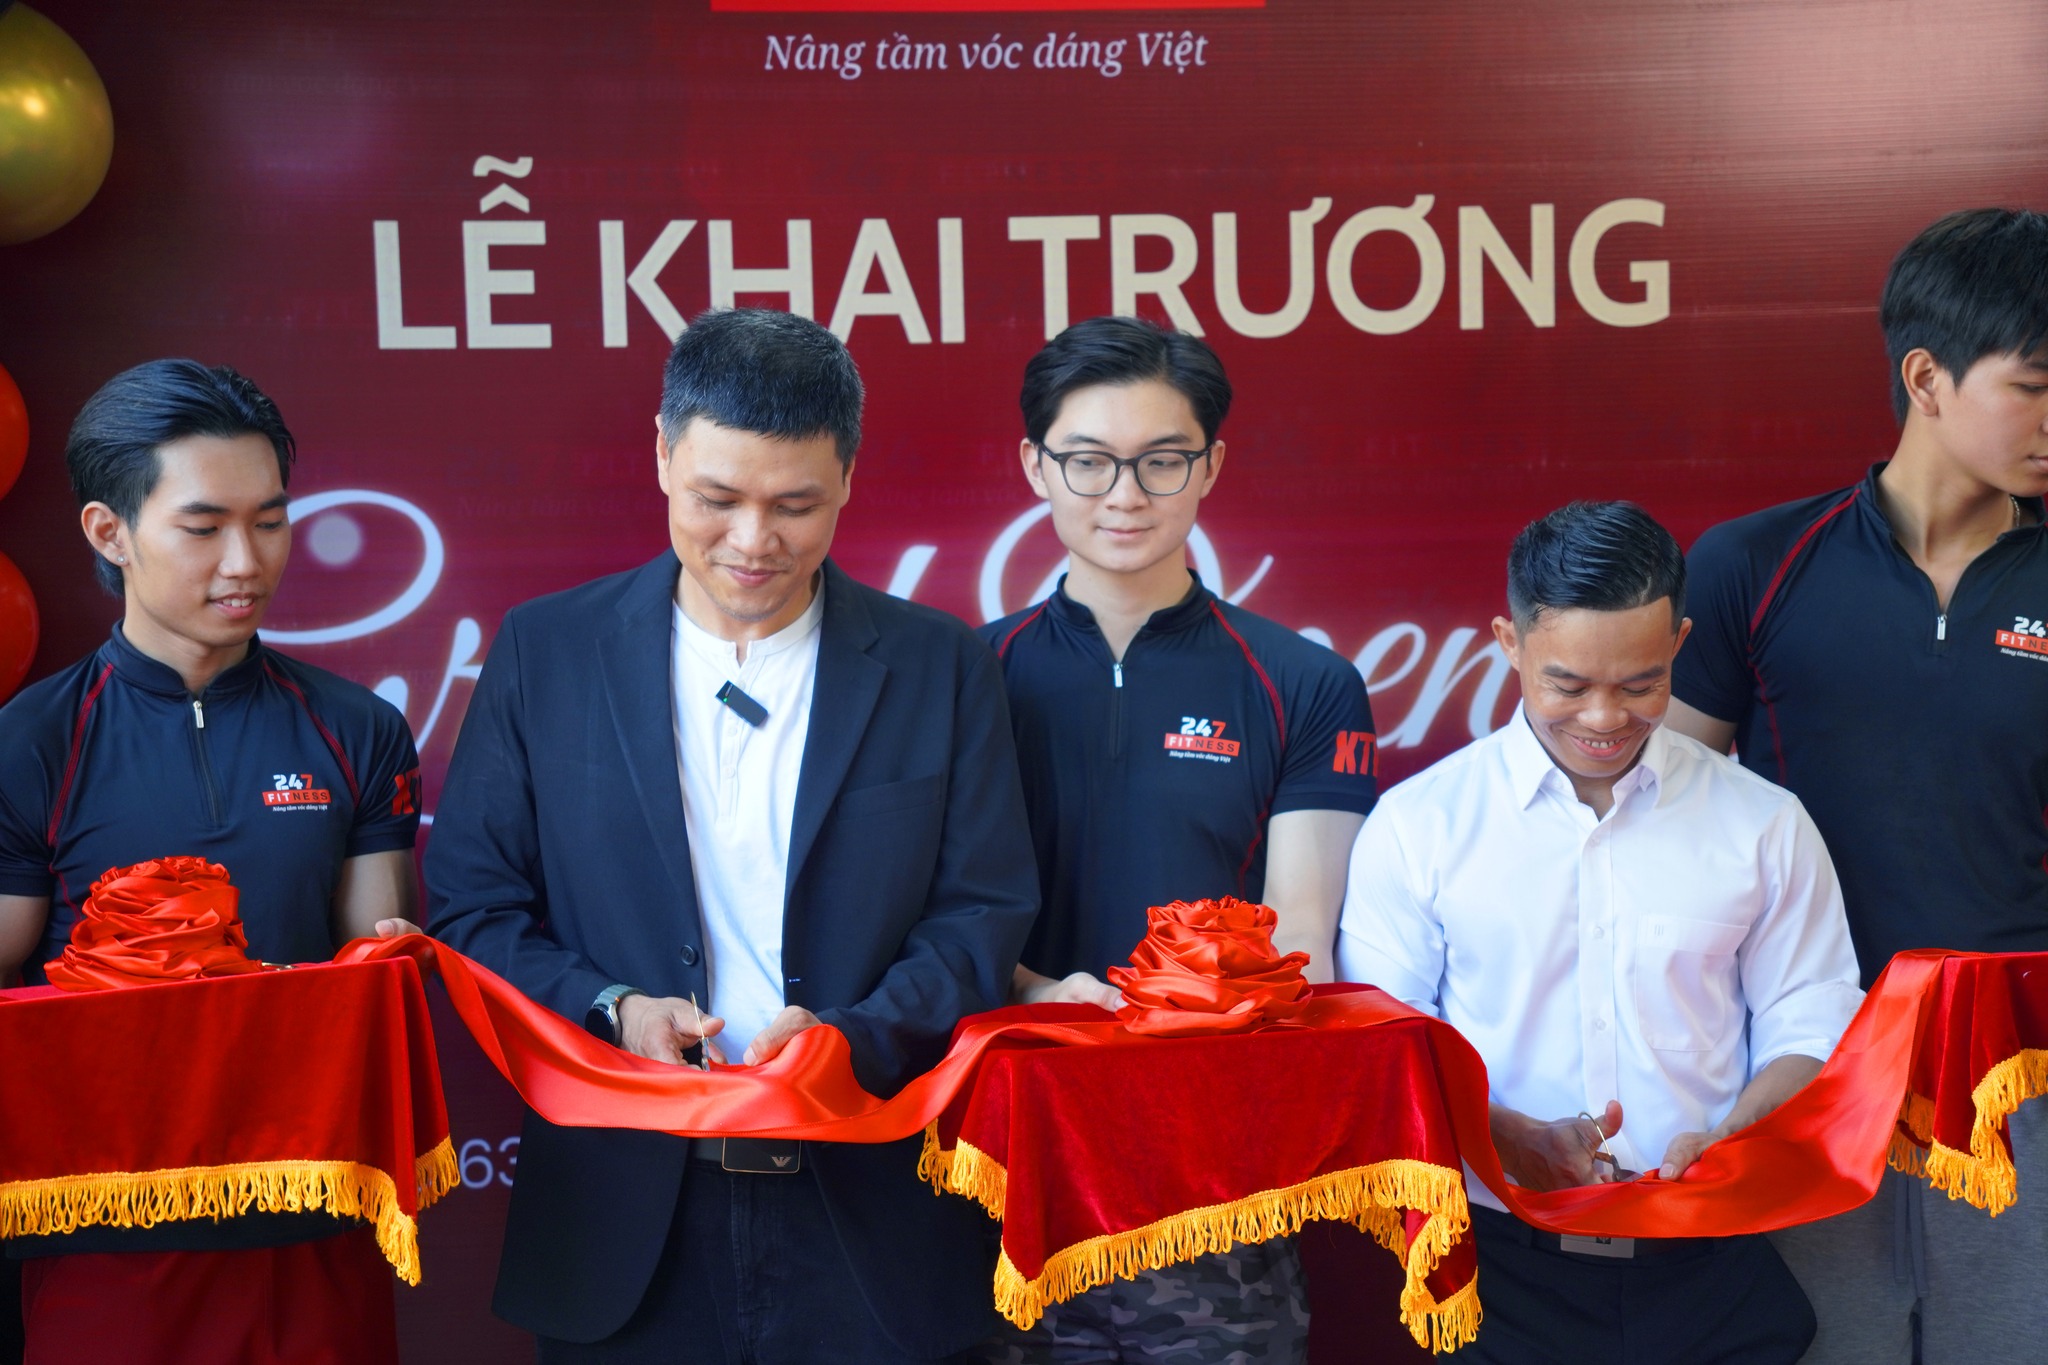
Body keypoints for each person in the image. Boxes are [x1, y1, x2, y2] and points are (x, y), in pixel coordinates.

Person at [426, 307, 1040, 1364]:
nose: (754, 542)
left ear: (847, 479)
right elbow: (474, 907)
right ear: (663, 456)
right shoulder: (546, 650)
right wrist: (615, 1008)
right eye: (717, 499)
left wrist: (853, 1037)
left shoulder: (941, 664)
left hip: (875, 1214)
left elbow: (981, 914)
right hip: (622, 1216)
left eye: (795, 505)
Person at [1338, 501, 1863, 1364]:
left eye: (1641, 683)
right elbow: (1381, 1045)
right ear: (1509, 643)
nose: (1605, 717)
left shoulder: (1764, 822)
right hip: (1494, 1273)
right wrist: (1508, 1136)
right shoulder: (1419, 824)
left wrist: (1739, 1132)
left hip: (1712, 1265)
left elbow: (1812, 1016)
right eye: (1569, 685)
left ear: (1680, 643)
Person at [1666, 207, 2048, 1364]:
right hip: (1803, 1062)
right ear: (1924, 378)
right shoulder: (1750, 565)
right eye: (2033, 386)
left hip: (2022, 1076)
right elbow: (1657, 823)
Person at [0, 360, 424, 1364]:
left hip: (312, 1209)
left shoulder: (356, 730)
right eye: (204, 527)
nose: (247, 561)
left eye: (270, 521)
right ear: (109, 532)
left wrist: (394, 962)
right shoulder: (33, 741)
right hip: (107, 1230)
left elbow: (370, 960)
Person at [975, 316, 1379, 1363]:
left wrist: (1186, 1031)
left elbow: (1302, 938)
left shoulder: (1303, 683)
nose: (1125, 494)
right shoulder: (963, 679)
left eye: (1162, 460)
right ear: (1035, 466)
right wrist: (1035, 991)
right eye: (1088, 460)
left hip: (1213, 1177)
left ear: (1211, 465)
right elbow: (927, 913)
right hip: (1009, 1161)